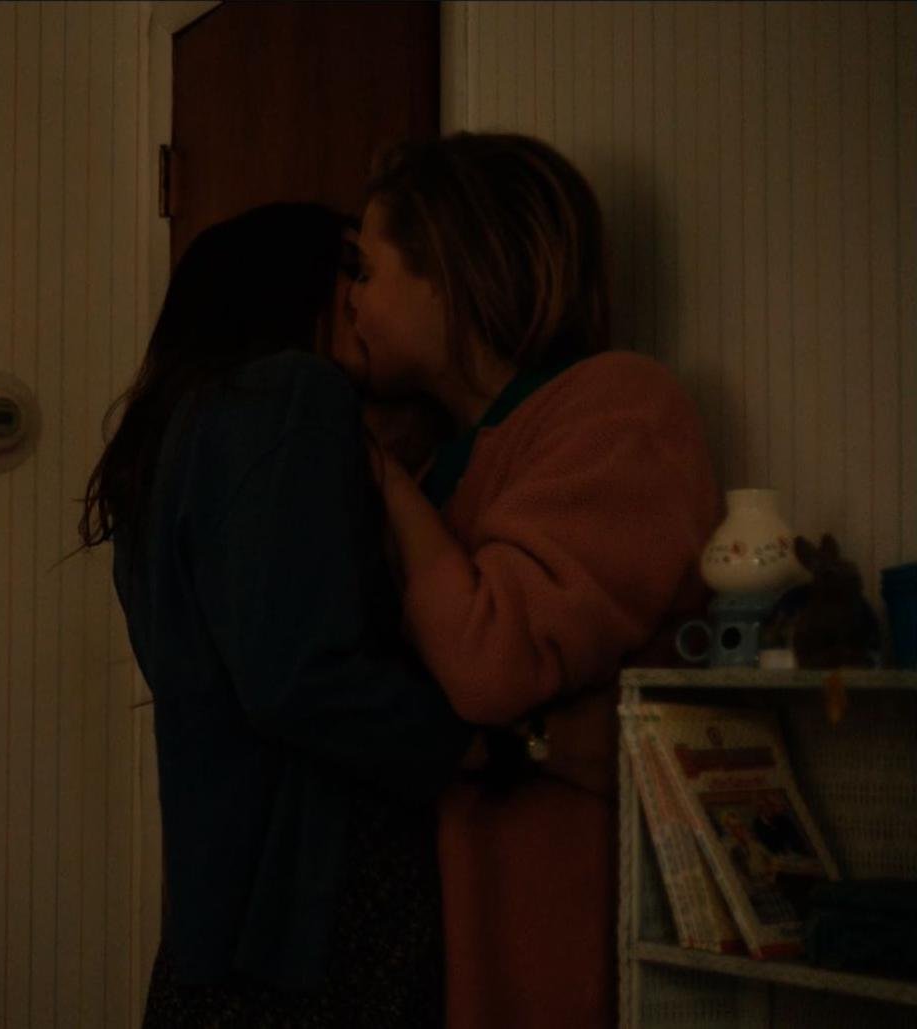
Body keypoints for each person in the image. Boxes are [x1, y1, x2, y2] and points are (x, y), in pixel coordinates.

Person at [333, 132, 722, 1029]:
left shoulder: (619, 407)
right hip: (443, 929)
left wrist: (381, 479)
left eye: (367, 269)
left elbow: (492, 660)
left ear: (452, 274)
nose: (349, 299)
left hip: (556, 922)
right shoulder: (441, 458)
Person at [80, 202, 471, 1027]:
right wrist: (467, 743)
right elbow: (296, 674)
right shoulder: (289, 392)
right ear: (295, 289)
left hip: (220, 906)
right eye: (352, 271)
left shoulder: (174, 433)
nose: (364, 300)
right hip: (310, 901)